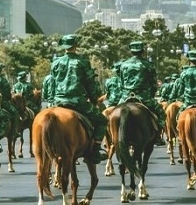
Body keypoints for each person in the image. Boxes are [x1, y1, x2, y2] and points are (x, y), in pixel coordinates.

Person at [50, 34, 108, 163]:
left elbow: (52, 82)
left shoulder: (55, 62)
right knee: (102, 121)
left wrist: (52, 100)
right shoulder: (82, 62)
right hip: (77, 102)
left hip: (58, 101)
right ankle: (95, 150)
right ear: (76, 45)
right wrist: (94, 99)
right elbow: (89, 83)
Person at [117, 41, 166, 146]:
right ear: (143, 51)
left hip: (125, 97)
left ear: (131, 51)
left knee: (112, 114)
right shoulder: (148, 65)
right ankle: (157, 136)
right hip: (144, 97)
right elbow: (153, 84)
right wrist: (152, 94)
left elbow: (121, 83)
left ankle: (111, 138)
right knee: (161, 113)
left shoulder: (123, 65)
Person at [0, 63, 21, 131]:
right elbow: (7, 94)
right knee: (15, 113)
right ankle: (14, 131)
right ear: (1, 70)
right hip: (2, 102)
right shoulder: (3, 80)